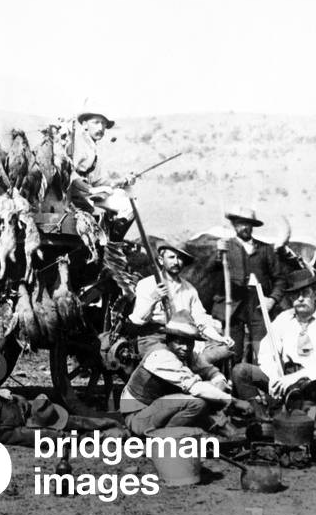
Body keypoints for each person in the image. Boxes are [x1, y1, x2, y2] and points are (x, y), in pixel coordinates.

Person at [231, 269, 316, 440]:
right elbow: (266, 352)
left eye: (305, 293)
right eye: (295, 295)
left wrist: (297, 377)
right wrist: (274, 377)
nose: (299, 299)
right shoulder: (283, 319)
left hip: (315, 383)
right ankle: (264, 421)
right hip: (284, 379)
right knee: (240, 371)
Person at [0, 360, 122, 447]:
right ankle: (104, 437)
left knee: (65, 419)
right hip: (0, 430)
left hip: (10, 408)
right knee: (51, 437)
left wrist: (0, 392)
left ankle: (113, 424)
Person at [120, 311, 252, 437]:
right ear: (169, 340)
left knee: (209, 393)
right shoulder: (160, 356)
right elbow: (195, 388)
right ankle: (164, 438)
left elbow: (210, 371)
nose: (185, 347)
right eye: (179, 342)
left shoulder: (188, 355)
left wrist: (219, 382)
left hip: (159, 409)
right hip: (138, 416)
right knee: (197, 401)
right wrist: (233, 401)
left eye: (189, 342)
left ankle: (222, 428)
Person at [127, 240, 235, 375]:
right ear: (161, 260)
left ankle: (202, 374)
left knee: (224, 349)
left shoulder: (189, 289)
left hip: (183, 339)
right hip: (154, 337)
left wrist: (220, 338)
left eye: (180, 258)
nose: (176, 262)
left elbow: (200, 320)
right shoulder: (147, 284)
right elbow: (137, 320)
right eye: (171, 257)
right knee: (169, 360)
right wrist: (154, 298)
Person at [213, 207, 286, 363]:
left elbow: (280, 279)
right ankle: (234, 378)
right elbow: (213, 274)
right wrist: (218, 254)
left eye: (248, 224)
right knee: (233, 352)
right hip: (232, 306)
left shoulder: (266, 249)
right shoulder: (225, 247)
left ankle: (262, 377)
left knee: (264, 350)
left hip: (259, 305)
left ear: (253, 226)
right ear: (234, 225)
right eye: (241, 223)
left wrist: (272, 300)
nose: (245, 227)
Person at [66, 109, 135, 239]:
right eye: (96, 122)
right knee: (130, 206)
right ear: (85, 124)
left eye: (103, 124)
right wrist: (90, 190)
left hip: (88, 194)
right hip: (78, 197)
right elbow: (70, 173)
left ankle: (109, 237)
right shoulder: (78, 144)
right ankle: (113, 242)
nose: (101, 127)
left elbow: (98, 180)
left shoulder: (92, 147)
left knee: (125, 193)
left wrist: (123, 181)